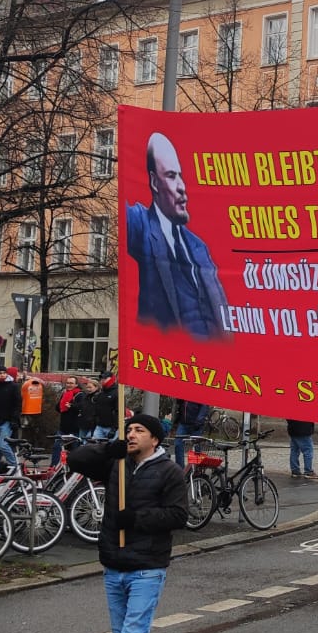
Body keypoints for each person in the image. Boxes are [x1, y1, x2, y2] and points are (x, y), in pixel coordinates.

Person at [66, 414, 187, 633]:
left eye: (139, 431)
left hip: (147, 568)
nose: (132, 434)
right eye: (129, 430)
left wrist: (135, 518)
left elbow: (178, 516)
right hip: (114, 566)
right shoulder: (116, 463)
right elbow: (75, 459)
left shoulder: (170, 472)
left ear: (156, 440)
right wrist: (110, 448)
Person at [125, 131, 231, 339]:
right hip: (171, 363)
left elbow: (223, 315)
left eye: (180, 176)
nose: (182, 187)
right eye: (172, 176)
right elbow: (121, 209)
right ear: (154, 183)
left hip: (215, 362)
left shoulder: (198, 247)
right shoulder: (142, 226)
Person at [170, 398, 207, 468]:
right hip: (183, 423)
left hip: (195, 424)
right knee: (178, 444)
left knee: (196, 447)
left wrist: (199, 421)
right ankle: (180, 469)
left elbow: (204, 406)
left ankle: (197, 470)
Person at [90, 373, 120, 440]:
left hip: (111, 427)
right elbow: (96, 411)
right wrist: (94, 426)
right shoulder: (101, 393)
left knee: (111, 448)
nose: (102, 380)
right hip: (99, 426)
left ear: (111, 379)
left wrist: (114, 428)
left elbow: (119, 412)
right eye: (101, 379)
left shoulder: (117, 392)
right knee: (94, 447)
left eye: (105, 378)